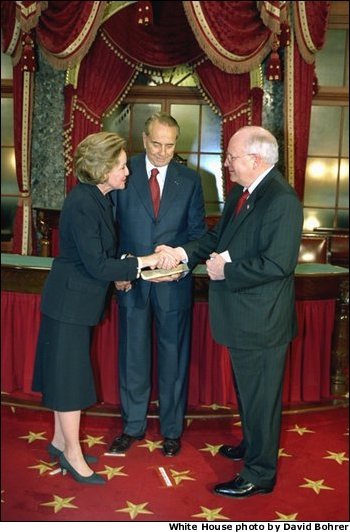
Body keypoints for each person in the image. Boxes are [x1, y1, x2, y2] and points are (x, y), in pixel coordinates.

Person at [156, 125, 303, 496]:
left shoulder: (281, 199)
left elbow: (278, 264)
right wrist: (183, 253)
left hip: (262, 322)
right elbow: (215, 238)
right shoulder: (243, 191)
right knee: (250, 396)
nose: (227, 164)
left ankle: (259, 474)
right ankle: (253, 447)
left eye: (232, 157)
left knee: (261, 400)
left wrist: (227, 270)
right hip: (244, 319)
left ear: (254, 159)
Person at [32, 132, 175, 485]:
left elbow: (97, 260)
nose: (128, 172)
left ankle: (58, 441)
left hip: (74, 300)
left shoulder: (96, 199)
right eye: (122, 166)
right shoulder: (84, 201)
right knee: (68, 380)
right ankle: (72, 454)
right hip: (69, 303)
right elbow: (96, 264)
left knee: (63, 374)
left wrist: (121, 274)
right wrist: (145, 262)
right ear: (102, 168)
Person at [109, 113, 206, 457]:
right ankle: (132, 427)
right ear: (144, 138)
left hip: (172, 285)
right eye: (156, 144)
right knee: (132, 356)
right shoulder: (123, 171)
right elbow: (111, 229)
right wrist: (117, 270)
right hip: (132, 284)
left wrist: (182, 260)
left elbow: (200, 236)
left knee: (173, 358)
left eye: (170, 145)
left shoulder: (190, 181)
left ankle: (172, 431)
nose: (163, 152)